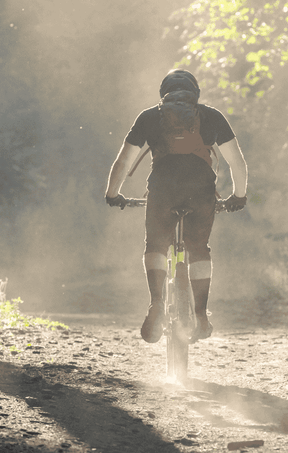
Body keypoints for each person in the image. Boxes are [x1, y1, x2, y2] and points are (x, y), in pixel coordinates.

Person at [105, 69, 248, 343]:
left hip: (162, 190)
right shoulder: (211, 116)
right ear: (195, 93)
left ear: (164, 93)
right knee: (199, 249)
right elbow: (237, 162)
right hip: (201, 191)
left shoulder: (149, 117)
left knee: (156, 246)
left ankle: (156, 303)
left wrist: (113, 193)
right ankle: (202, 314)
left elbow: (123, 161)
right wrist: (238, 196)